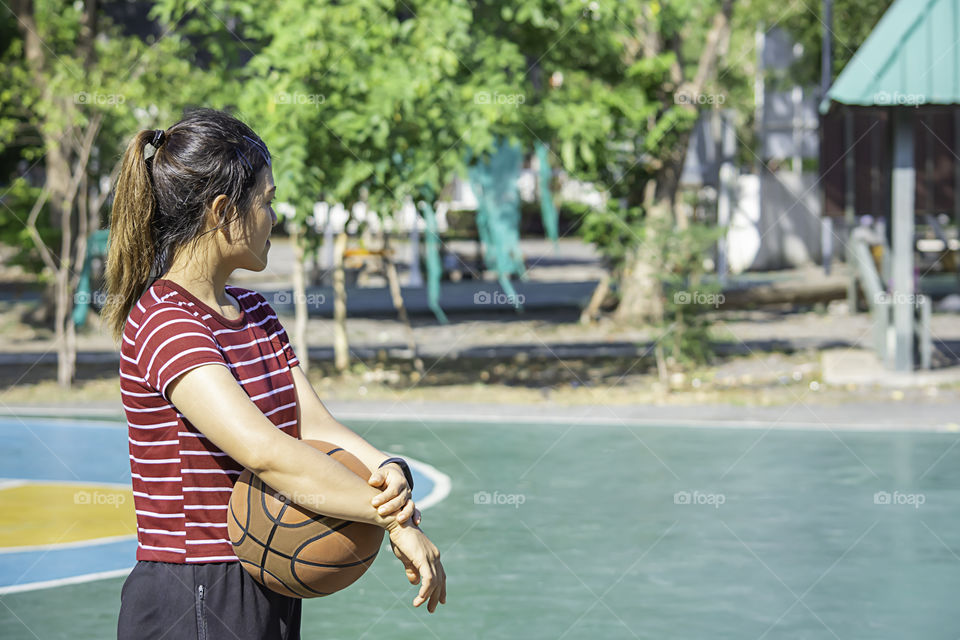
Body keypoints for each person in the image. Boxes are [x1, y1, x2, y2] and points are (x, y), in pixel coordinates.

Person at [104, 108, 446, 640]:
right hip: (193, 592)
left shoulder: (255, 312)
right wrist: (391, 520)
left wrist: (389, 470)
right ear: (222, 211)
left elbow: (315, 429)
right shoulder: (166, 320)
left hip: (267, 585)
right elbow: (265, 451)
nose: (274, 216)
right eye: (266, 201)